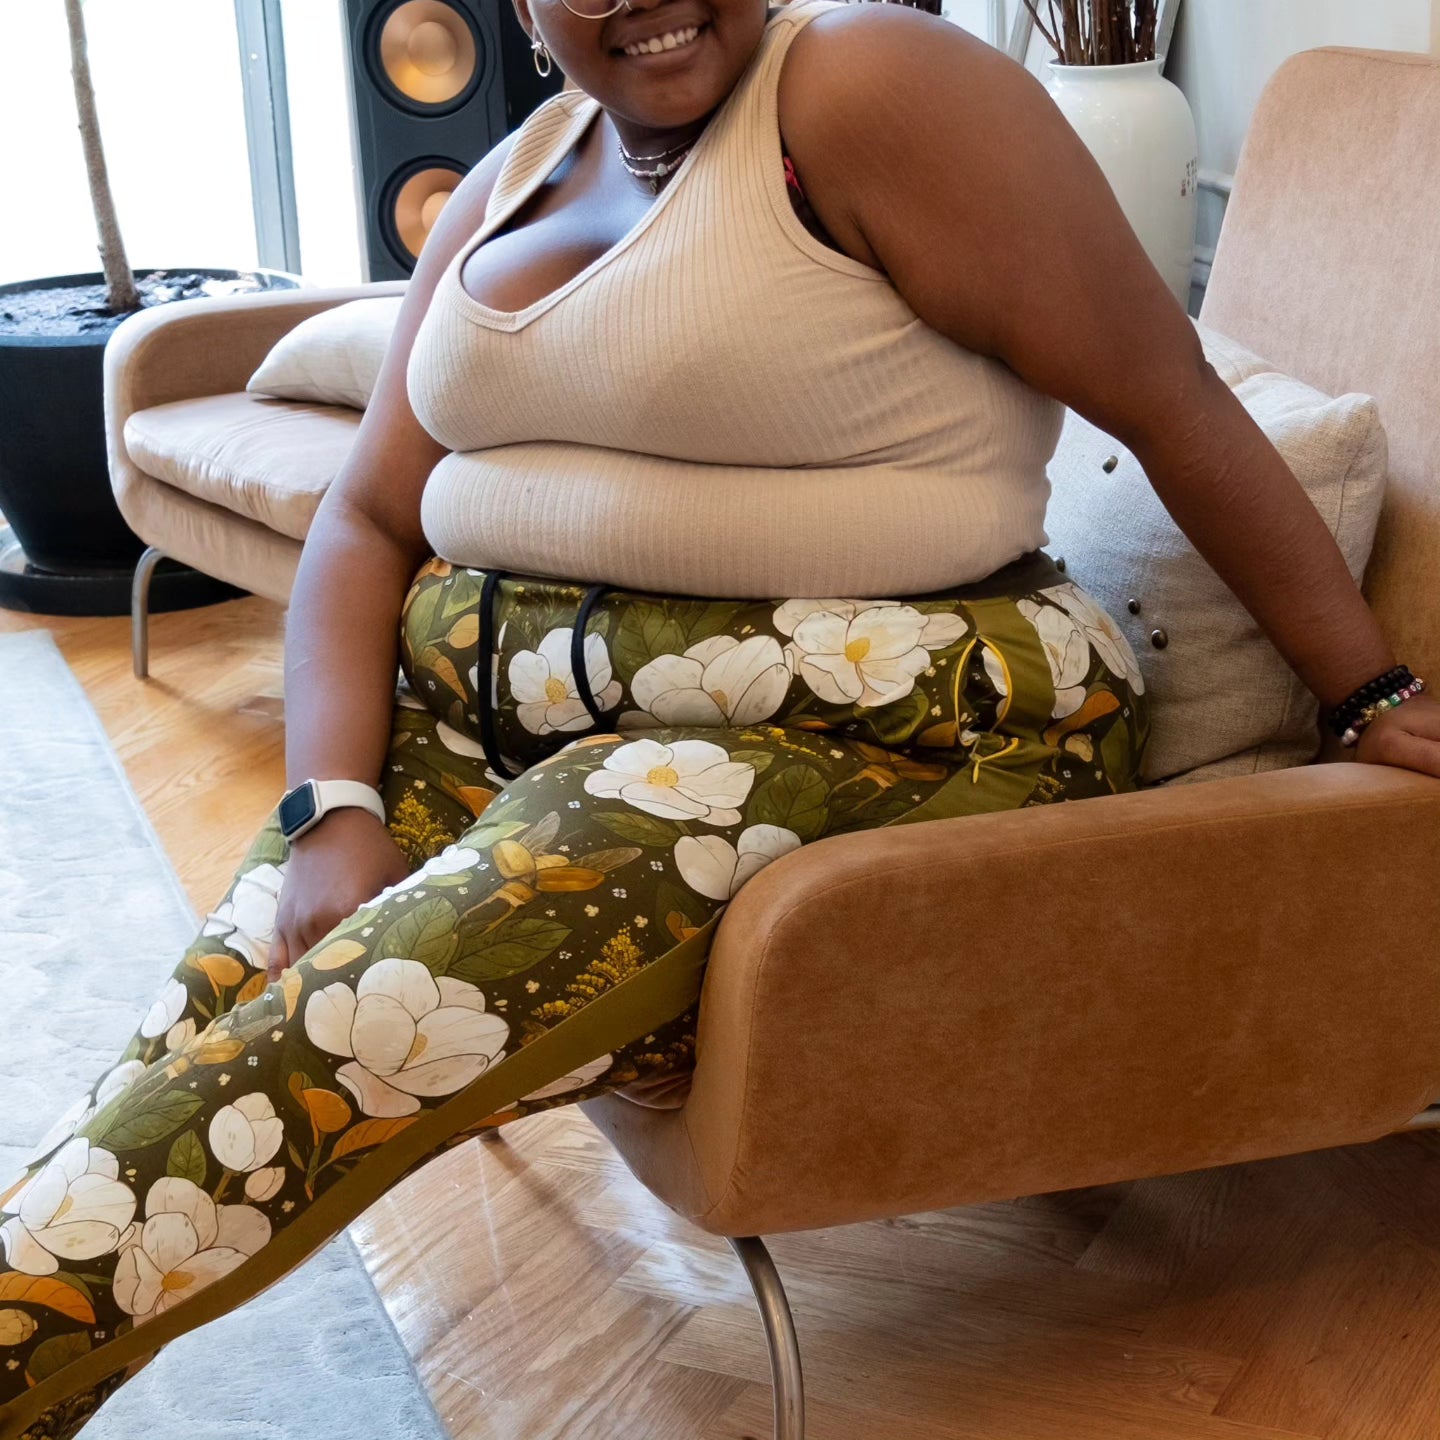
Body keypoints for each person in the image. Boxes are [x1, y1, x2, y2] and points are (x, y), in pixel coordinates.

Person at [4, 0, 1438, 1431]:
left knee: (325, 1045)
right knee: (201, 1025)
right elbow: (369, 516)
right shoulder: (515, 172)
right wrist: (335, 801)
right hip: (488, 720)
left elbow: (1170, 398)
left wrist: (1368, 691)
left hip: (869, 725)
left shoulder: (866, 87)